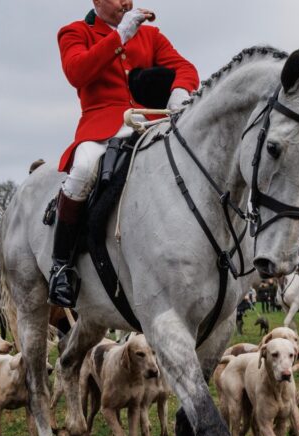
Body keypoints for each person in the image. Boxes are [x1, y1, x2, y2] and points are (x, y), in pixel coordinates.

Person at [48, 1, 199, 307]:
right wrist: (119, 37)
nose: (126, 3)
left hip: (151, 119)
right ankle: (61, 264)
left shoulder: (152, 35)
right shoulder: (75, 32)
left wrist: (180, 90)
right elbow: (77, 72)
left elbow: (184, 67)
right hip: (103, 124)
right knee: (83, 169)